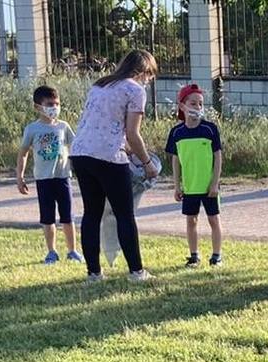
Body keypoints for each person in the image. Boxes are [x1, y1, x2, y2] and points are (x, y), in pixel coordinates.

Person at [69, 49, 159, 282]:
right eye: (150, 75)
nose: (149, 80)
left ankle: (94, 273)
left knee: (92, 213)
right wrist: (147, 163)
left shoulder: (100, 85)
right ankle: (136, 271)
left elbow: (103, 124)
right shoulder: (135, 90)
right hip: (109, 157)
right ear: (143, 71)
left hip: (81, 152)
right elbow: (132, 133)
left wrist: (127, 147)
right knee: (124, 215)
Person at [16, 85, 84, 265]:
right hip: (43, 179)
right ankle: (52, 252)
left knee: (68, 216)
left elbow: (75, 147)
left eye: (57, 104)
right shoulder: (32, 129)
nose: (54, 107)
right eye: (49, 104)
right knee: (47, 217)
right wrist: (20, 176)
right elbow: (23, 152)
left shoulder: (64, 126)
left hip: (63, 177)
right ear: (38, 107)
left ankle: (72, 251)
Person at [166, 84, 224, 268]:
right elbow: (175, 160)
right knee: (191, 220)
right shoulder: (176, 132)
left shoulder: (210, 129)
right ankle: (194, 255)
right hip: (190, 186)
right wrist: (177, 185)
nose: (197, 107)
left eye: (200, 103)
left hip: (208, 187)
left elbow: (218, 157)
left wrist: (214, 183)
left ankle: (216, 256)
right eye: (193, 103)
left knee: (213, 219)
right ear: (182, 106)